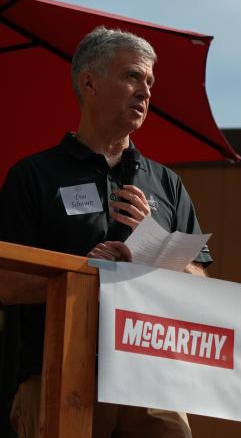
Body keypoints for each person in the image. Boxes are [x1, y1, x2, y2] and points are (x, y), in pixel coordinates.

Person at [0, 26, 211, 437]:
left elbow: (201, 287)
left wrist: (155, 247)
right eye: (133, 76)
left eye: (150, 82)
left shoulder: (166, 184)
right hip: (58, 372)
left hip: (152, 380)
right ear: (89, 82)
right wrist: (86, 272)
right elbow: (7, 282)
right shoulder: (34, 175)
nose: (146, 91)